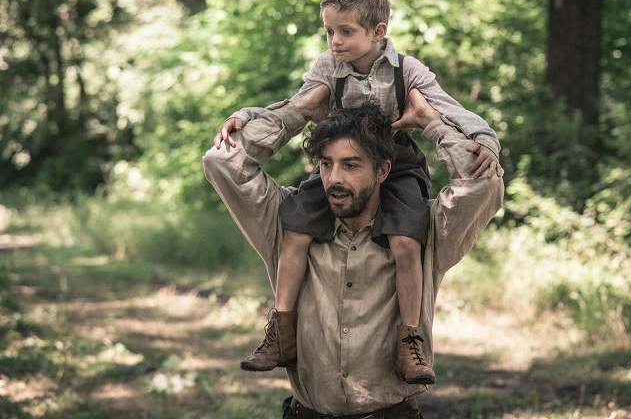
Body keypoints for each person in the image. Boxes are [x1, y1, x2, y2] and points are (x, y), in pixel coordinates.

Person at [213, 0, 502, 385]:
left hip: (398, 164)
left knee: (406, 243)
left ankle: (409, 340)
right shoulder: (328, 66)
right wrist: (245, 116)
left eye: (345, 31)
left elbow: (453, 111)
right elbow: (294, 106)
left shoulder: (408, 71)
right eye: (329, 31)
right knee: (295, 231)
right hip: (336, 160)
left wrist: (485, 140)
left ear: (378, 32)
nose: (334, 41)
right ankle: (281, 330)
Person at [203, 90, 504, 417]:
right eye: (326, 164)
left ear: (382, 171)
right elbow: (221, 161)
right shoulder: (288, 224)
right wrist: (297, 112)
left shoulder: (423, 232)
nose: (334, 179)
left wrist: (431, 123)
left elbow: (484, 184)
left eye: (350, 165)